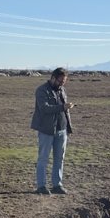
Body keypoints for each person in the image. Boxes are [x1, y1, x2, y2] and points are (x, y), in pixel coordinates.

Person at [30, 67, 74, 195]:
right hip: (46, 130)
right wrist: (62, 107)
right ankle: (41, 186)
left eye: (64, 82)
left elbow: (64, 111)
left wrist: (68, 127)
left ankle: (57, 184)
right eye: (60, 81)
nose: (62, 84)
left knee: (59, 158)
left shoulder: (62, 90)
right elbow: (44, 108)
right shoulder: (41, 90)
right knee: (43, 158)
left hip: (62, 129)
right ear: (53, 78)